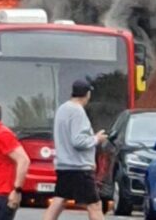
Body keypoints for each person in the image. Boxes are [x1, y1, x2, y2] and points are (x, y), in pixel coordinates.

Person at [43, 79, 108, 220]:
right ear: (88, 94)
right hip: (79, 168)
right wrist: (97, 139)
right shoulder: (77, 112)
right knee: (95, 205)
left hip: (64, 165)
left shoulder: (62, 109)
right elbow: (78, 141)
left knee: (59, 201)